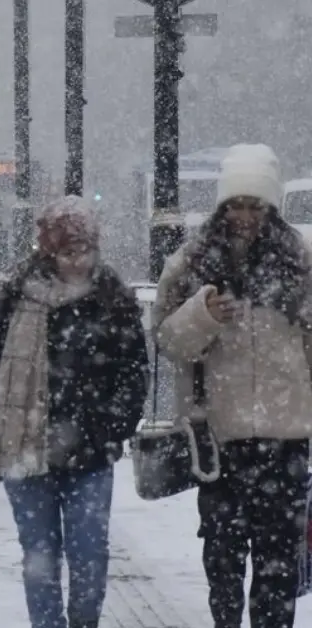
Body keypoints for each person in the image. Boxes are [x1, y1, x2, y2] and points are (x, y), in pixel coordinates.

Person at [0, 195, 148, 628]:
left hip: (90, 453)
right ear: (48, 250)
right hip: (23, 448)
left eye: (85, 250)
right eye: (67, 251)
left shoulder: (111, 298)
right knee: (39, 556)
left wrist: (113, 426)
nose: (78, 261)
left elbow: (134, 370)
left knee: (89, 556)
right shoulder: (8, 296)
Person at [153, 144, 312, 628]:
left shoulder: (300, 260)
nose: (245, 215)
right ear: (223, 206)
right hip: (220, 436)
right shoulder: (192, 260)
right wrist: (202, 315)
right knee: (222, 559)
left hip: (287, 435)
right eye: (236, 204)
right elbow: (166, 338)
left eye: (255, 205)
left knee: (278, 562)